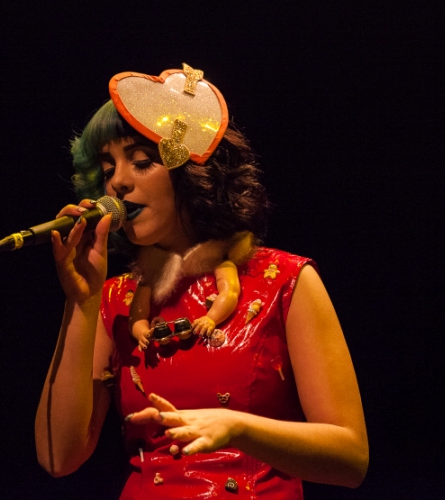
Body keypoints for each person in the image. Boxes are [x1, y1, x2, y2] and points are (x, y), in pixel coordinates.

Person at [34, 64, 368, 498]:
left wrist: (237, 427)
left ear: (191, 171)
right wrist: (81, 299)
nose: (117, 181)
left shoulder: (283, 279)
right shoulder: (114, 297)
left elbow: (351, 458)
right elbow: (57, 457)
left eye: (140, 160)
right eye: (108, 165)